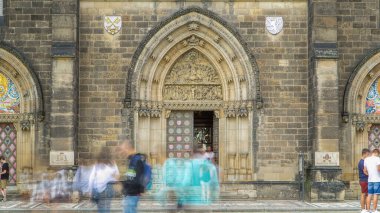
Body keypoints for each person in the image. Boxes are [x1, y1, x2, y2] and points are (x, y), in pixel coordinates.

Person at [88, 147, 119, 213]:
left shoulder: (97, 164)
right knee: (107, 207)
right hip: (110, 187)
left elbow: (91, 178)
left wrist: (90, 191)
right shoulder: (113, 163)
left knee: (101, 208)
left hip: (99, 188)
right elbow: (117, 176)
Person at [120, 140, 148, 213]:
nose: (122, 152)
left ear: (128, 148)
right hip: (130, 194)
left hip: (132, 194)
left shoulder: (136, 160)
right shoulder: (132, 160)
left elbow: (136, 179)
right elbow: (131, 176)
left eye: (123, 149)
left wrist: (124, 185)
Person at [364, 148, 380, 213]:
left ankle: (368, 210)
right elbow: (378, 169)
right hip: (377, 179)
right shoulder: (377, 159)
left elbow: (364, 171)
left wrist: (370, 174)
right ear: (377, 153)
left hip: (370, 180)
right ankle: (374, 210)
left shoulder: (366, 159)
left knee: (369, 194)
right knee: (376, 195)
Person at [359, 148, 370, 213]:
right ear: (365, 154)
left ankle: (365, 208)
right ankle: (363, 209)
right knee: (364, 194)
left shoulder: (363, 161)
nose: (368, 156)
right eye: (368, 154)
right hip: (364, 179)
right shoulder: (362, 162)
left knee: (366, 194)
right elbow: (365, 171)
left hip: (364, 180)